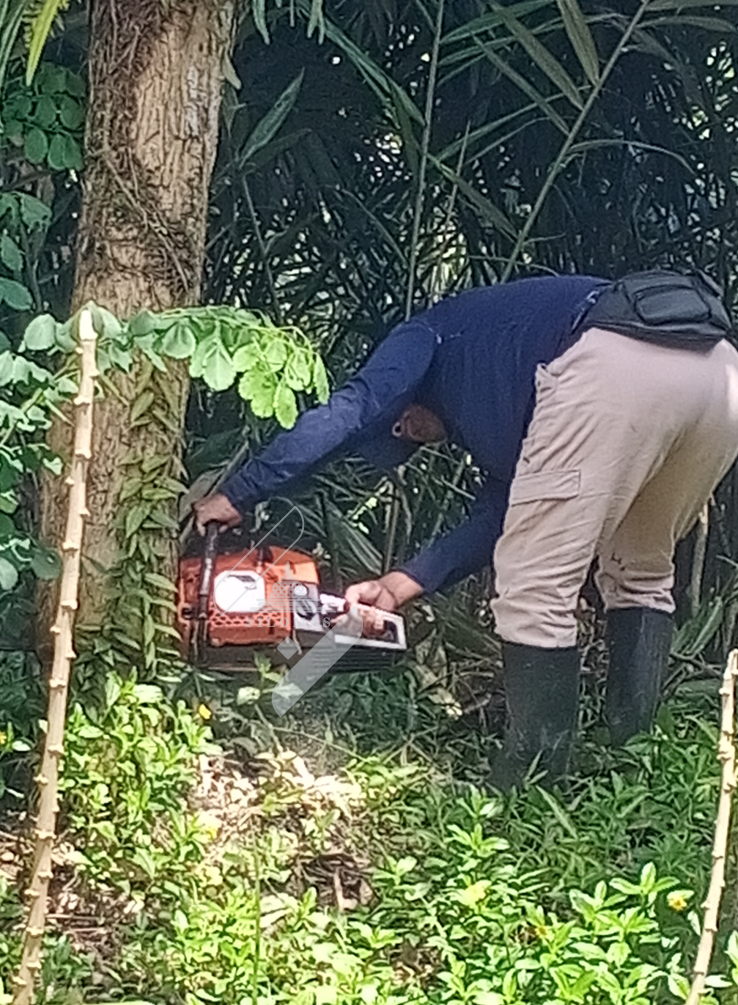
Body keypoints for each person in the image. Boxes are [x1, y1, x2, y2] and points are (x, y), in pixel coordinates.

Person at [195, 272, 738, 785]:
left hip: (613, 362)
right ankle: (632, 757)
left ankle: (531, 780)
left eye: (401, 425)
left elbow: (353, 408)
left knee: (534, 587)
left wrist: (237, 494)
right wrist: (402, 584)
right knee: (640, 570)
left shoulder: (425, 334)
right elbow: (506, 511)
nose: (409, 431)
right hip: (719, 375)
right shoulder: (499, 374)